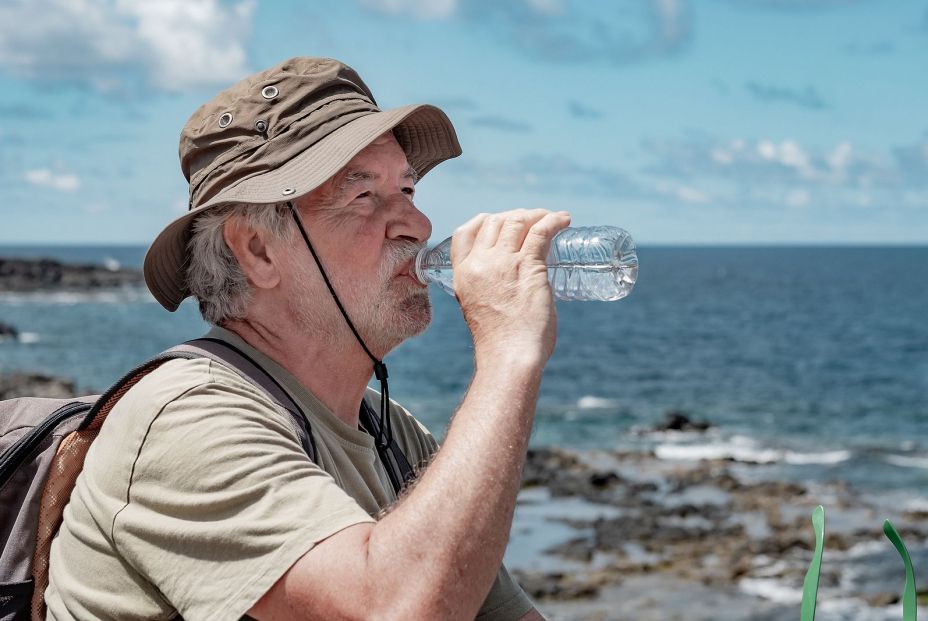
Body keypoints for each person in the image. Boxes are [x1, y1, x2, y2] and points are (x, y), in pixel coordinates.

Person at [45, 57, 570, 620]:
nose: (417, 225)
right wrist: (507, 355)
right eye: (363, 196)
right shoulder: (185, 419)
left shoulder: (390, 433)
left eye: (408, 188)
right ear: (258, 251)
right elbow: (392, 611)